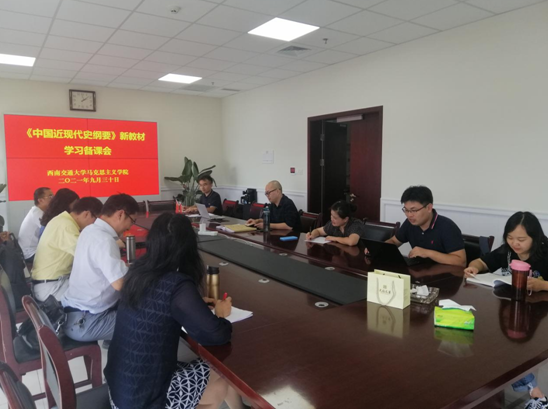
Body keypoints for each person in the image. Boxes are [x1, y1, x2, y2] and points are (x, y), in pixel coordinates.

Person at [105, 213, 244, 409]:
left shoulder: (138, 271)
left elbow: (158, 302)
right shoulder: (176, 284)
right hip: (145, 400)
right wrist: (220, 313)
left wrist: (193, 303)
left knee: (216, 377)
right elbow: (215, 335)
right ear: (188, 246)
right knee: (222, 375)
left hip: (121, 390)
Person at [61, 193, 139, 343]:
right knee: (147, 322)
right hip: (87, 321)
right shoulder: (104, 240)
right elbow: (120, 284)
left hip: (74, 314)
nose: (130, 227)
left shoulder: (89, 230)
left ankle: (115, 346)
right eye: (132, 221)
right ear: (121, 214)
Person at [31, 197, 103, 302]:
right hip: (52, 288)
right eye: (95, 220)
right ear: (86, 214)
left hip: (51, 283)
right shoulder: (66, 226)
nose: (94, 224)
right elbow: (86, 255)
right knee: (98, 297)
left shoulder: (63, 220)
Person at [382, 186, 466, 267]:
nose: (409, 215)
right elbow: (394, 241)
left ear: (429, 208)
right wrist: (381, 248)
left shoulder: (447, 227)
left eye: (414, 210)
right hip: (418, 271)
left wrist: (428, 253)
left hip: (444, 274)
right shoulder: (410, 223)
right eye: (406, 210)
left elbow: (461, 261)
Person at [464, 211, 548, 290]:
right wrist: (473, 268)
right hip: (510, 297)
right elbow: (481, 262)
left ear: (535, 238)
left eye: (521, 240)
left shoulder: (545, 252)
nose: (514, 243)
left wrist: (542, 285)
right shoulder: (507, 250)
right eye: (510, 238)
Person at [18, 187, 53, 263]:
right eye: (50, 196)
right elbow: (51, 230)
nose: (53, 199)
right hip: (31, 253)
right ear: (40, 200)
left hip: (35, 250)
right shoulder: (37, 213)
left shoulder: (40, 212)